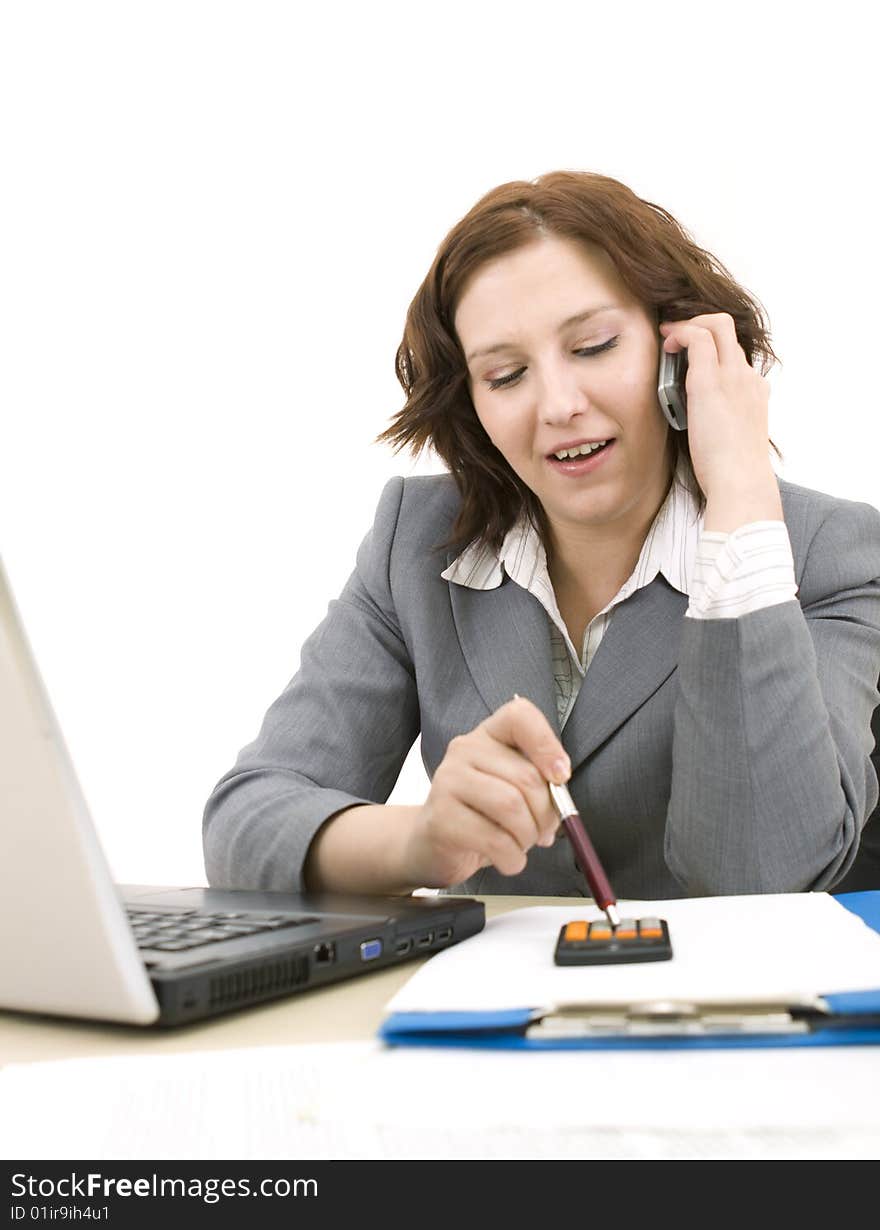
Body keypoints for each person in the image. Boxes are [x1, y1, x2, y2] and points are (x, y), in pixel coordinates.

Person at [203, 171, 880, 901]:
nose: (559, 405)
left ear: (677, 355)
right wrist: (420, 840)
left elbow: (763, 875)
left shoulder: (829, 553)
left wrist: (741, 494)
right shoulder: (417, 544)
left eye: (592, 346)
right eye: (506, 374)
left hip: (718, 1008)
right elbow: (246, 823)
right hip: (490, 1006)